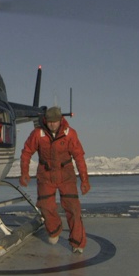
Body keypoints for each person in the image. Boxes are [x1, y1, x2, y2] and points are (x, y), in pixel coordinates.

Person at [19, 106, 91, 253]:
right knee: (45, 205)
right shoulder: (38, 134)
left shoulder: (70, 134)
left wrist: (84, 180)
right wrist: (24, 173)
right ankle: (55, 229)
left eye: (55, 121)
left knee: (73, 209)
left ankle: (77, 242)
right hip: (46, 175)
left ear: (60, 120)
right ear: (45, 120)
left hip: (66, 175)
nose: (52, 124)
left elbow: (79, 157)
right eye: (49, 121)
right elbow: (26, 153)